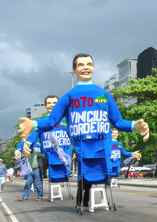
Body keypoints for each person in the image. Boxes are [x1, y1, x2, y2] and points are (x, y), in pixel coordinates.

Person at [18, 53, 149, 210]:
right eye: (80, 64)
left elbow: (118, 121)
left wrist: (134, 124)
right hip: (82, 149)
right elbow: (52, 120)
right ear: (74, 70)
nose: (85, 67)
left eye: (89, 64)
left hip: (102, 147)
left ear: (93, 68)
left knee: (101, 177)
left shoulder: (104, 95)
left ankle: (85, 201)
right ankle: (81, 201)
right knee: (84, 176)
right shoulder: (68, 97)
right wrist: (32, 123)